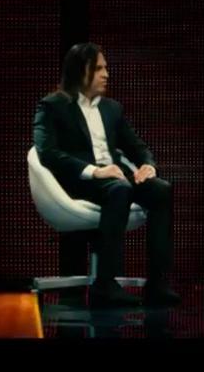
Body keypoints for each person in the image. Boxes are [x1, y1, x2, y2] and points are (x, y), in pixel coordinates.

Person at [33, 42, 180, 307]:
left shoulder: (112, 109)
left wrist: (148, 165)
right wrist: (95, 171)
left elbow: (137, 147)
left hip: (115, 178)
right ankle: (105, 284)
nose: (106, 74)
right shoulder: (53, 106)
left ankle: (158, 285)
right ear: (81, 71)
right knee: (120, 189)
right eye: (99, 68)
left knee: (161, 190)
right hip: (81, 182)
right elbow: (47, 152)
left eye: (105, 68)